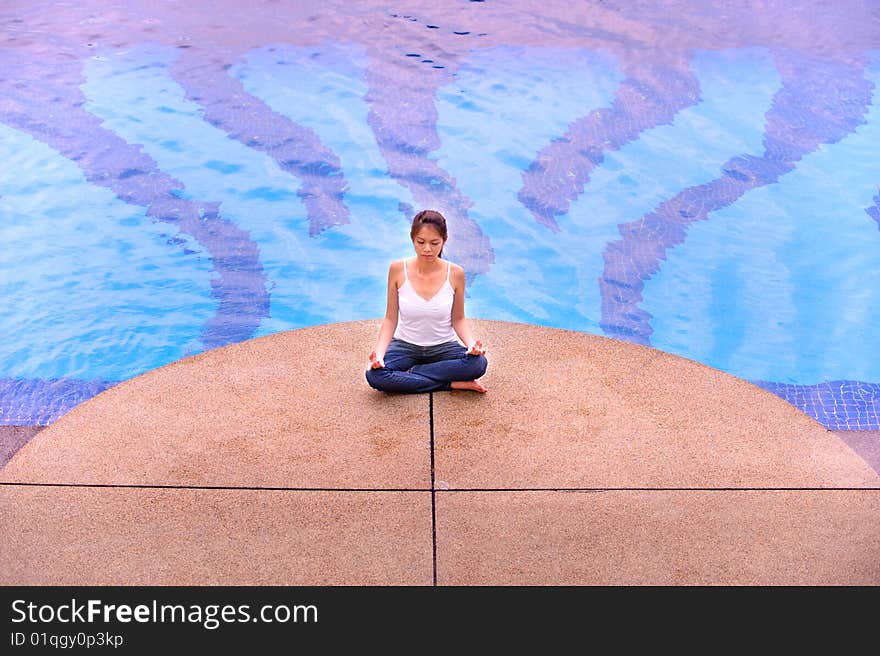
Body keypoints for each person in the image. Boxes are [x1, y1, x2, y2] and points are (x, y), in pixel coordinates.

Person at [365, 209, 488, 393]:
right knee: (374, 375)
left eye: (434, 243)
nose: (427, 249)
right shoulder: (398, 269)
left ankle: (411, 374)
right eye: (420, 242)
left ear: (444, 241)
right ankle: (449, 384)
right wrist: (379, 357)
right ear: (412, 239)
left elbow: (458, 319)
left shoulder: (455, 273)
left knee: (478, 365)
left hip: (443, 347)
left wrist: (471, 345)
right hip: (406, 346)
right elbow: (390, 319)